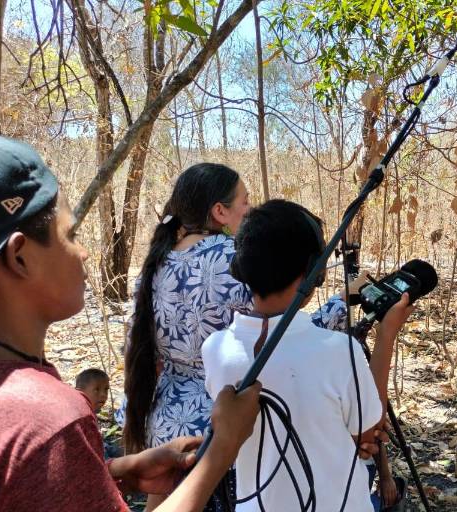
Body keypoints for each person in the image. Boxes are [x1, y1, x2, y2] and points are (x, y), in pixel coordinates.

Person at [0, 135, 261, 512]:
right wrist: (223, 447)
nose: (83, 252)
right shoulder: (51, 423)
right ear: (20, 257)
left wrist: (111, 471)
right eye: (70, 235)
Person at [122, 164, 354, 509]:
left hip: (164, 425)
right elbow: (284, 333)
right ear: (220, 211)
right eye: (244, 201)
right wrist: (342, 303)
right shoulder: (234, 260)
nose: (249, 208)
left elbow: (136, 347)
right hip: (221, 430)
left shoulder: (155, 262)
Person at [202, 199, 413, 511]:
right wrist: (386, 337)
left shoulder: (214, 349)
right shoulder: (340, 351)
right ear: (313, 273)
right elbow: (369, 432)